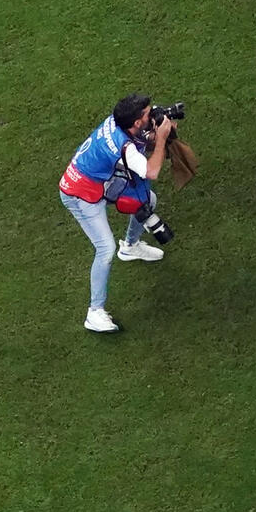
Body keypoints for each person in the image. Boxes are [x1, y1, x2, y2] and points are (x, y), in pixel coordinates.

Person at [59, 93, 176, 333]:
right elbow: (151, 171)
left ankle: (130, 247)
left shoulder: (120, 122)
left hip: (101, 181)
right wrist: (162, 137)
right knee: (105, 248)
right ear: (135, 122)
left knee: (148, 200)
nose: (151, 113)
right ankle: (95, 312)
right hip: (80, 194)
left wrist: (156, 130)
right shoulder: (125, 146)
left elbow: (141, 143)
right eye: (147, 114)